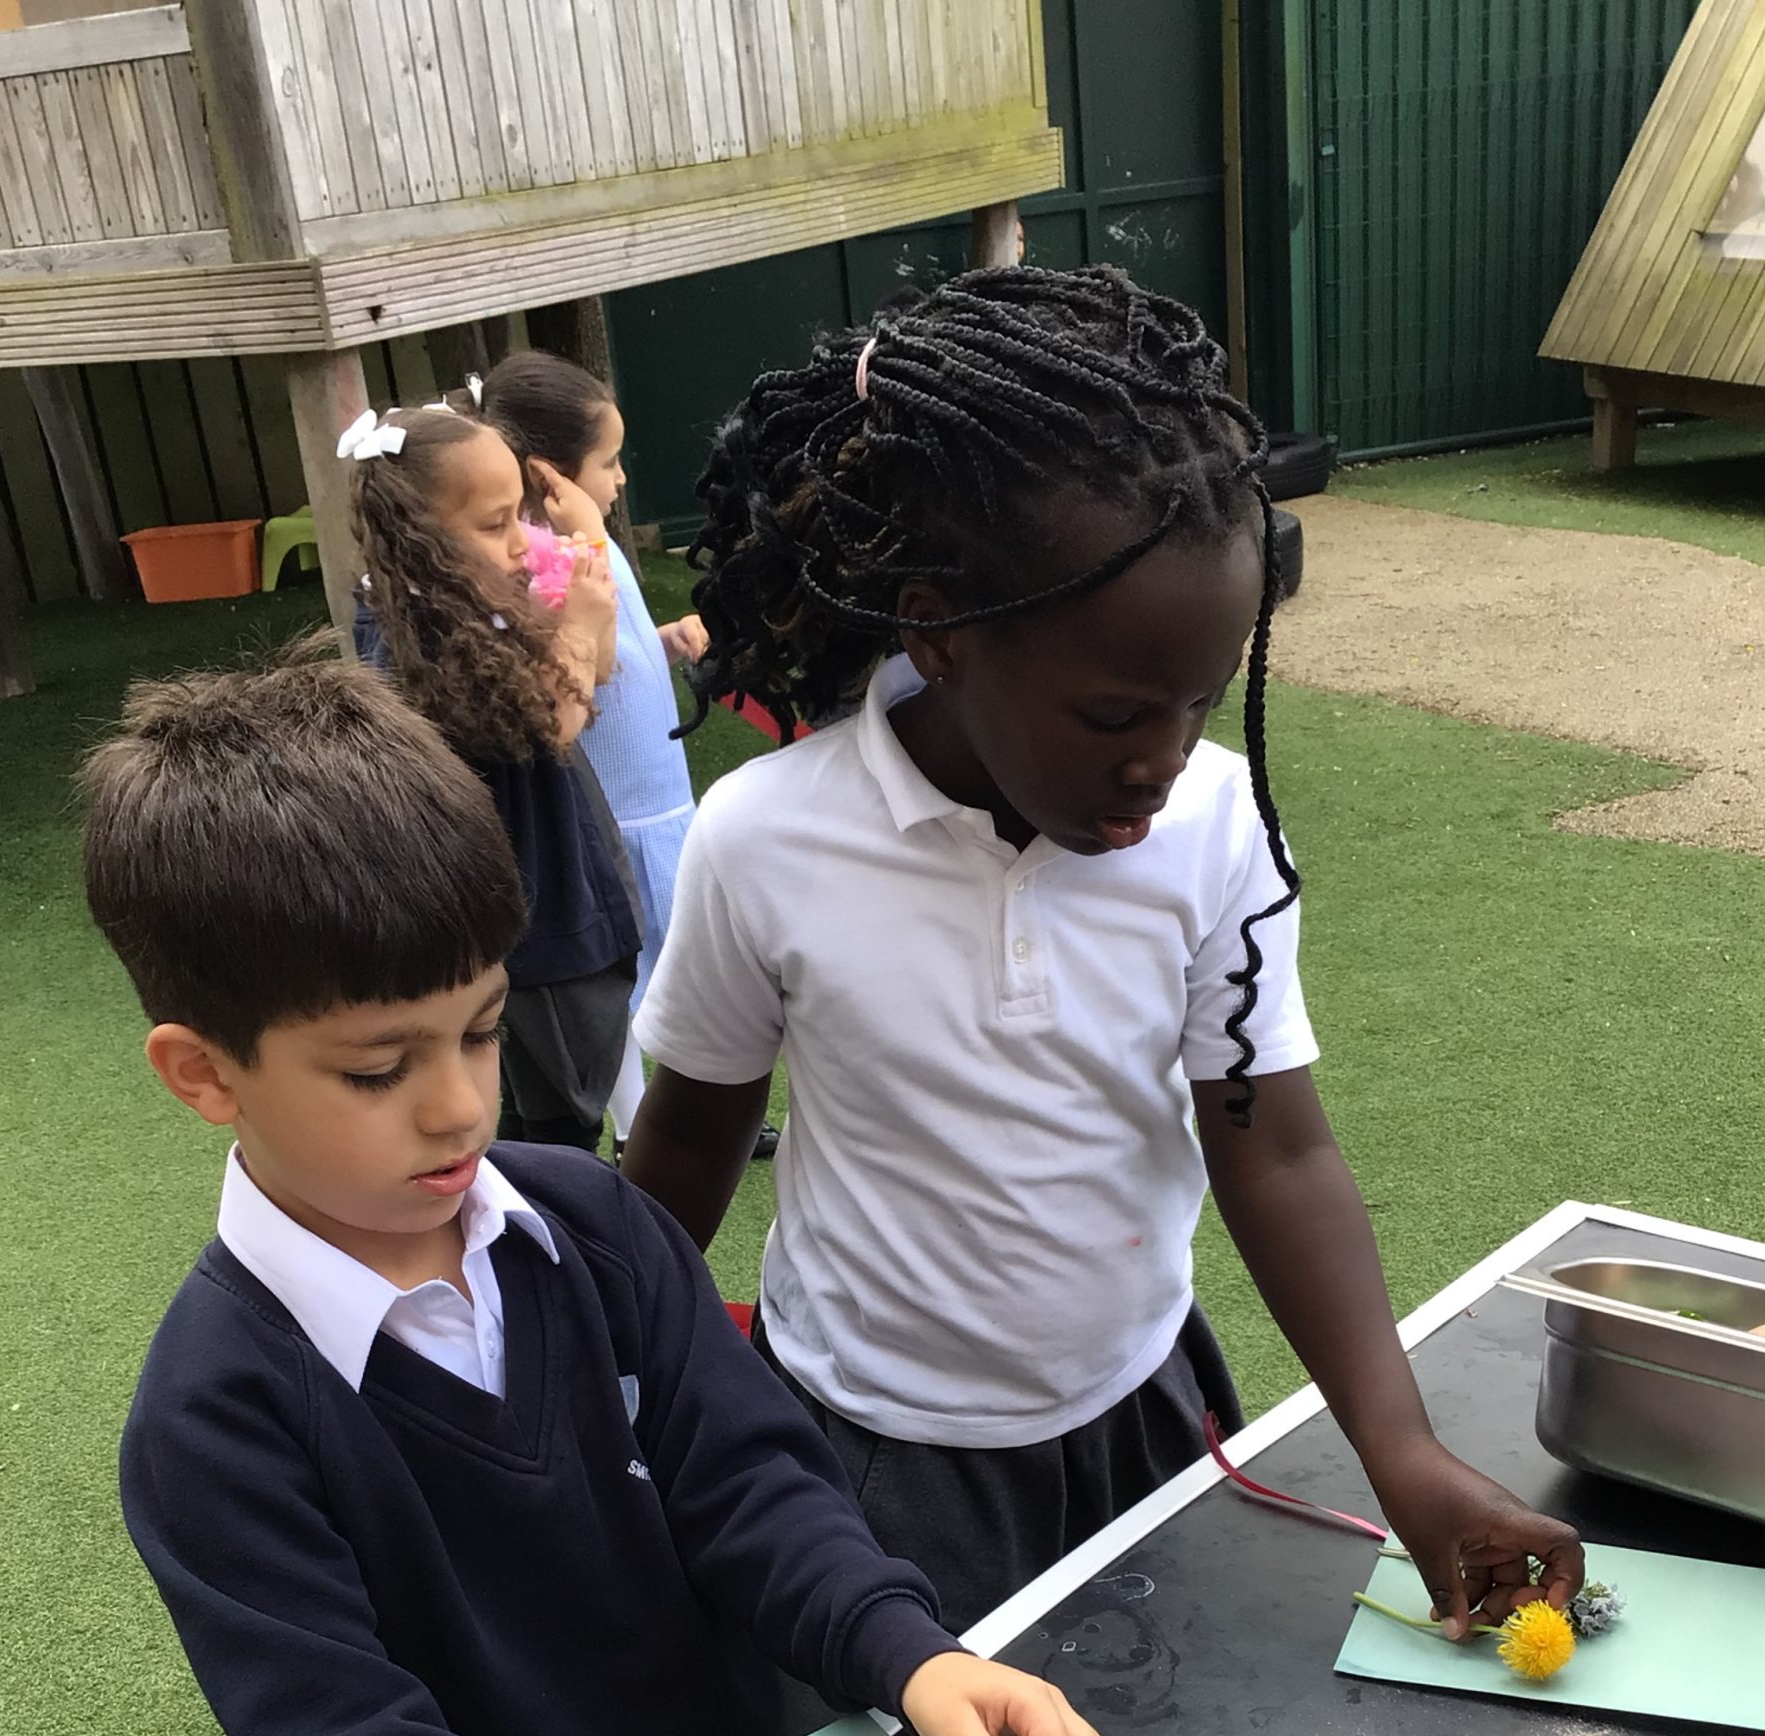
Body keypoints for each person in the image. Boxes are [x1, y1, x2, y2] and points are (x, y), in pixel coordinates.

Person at [83, 653, 1111, 1736]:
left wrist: (909, 1653)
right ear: (204, 1074)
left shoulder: (595, 1228)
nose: (459, 1105)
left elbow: (755, 1491)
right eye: (378, 1069)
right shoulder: (215, 1422)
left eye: (483, 1029)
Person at [622, 264, 1585, 1637]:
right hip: (871, 1453)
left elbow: (1275, 1149)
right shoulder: (765, 838)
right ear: (936, 632)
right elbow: (687, 1140)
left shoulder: (1217, 826)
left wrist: (1404, 1450)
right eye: (1116, 715)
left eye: (1201, 703)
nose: (1162, 759)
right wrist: (605, 1385)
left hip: (1145, 1411)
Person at [477, 349, 778, 1159]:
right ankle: (638, 1129)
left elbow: (622, 646)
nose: (618, 478)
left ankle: (693, 1108)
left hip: (660, 809)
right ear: (549, 476)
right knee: (618, 991)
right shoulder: (550, 559)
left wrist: (665, 641)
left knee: (679, 978)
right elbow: (591, 663)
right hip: (620, 821)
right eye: (606, 462)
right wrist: (584, 535)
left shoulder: (593, 546)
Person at [344, 399, 640, 1152]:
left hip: (537, 894)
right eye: (494, 523)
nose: (520, 541)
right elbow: (549, 723)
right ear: (418, 535)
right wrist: (578, 627)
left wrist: (588, 607)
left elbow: (596, 677)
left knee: (536, 1099)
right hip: (528, 910)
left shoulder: (461, 603)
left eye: (521, 516)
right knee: (556, 1107)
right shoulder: (423, 636)